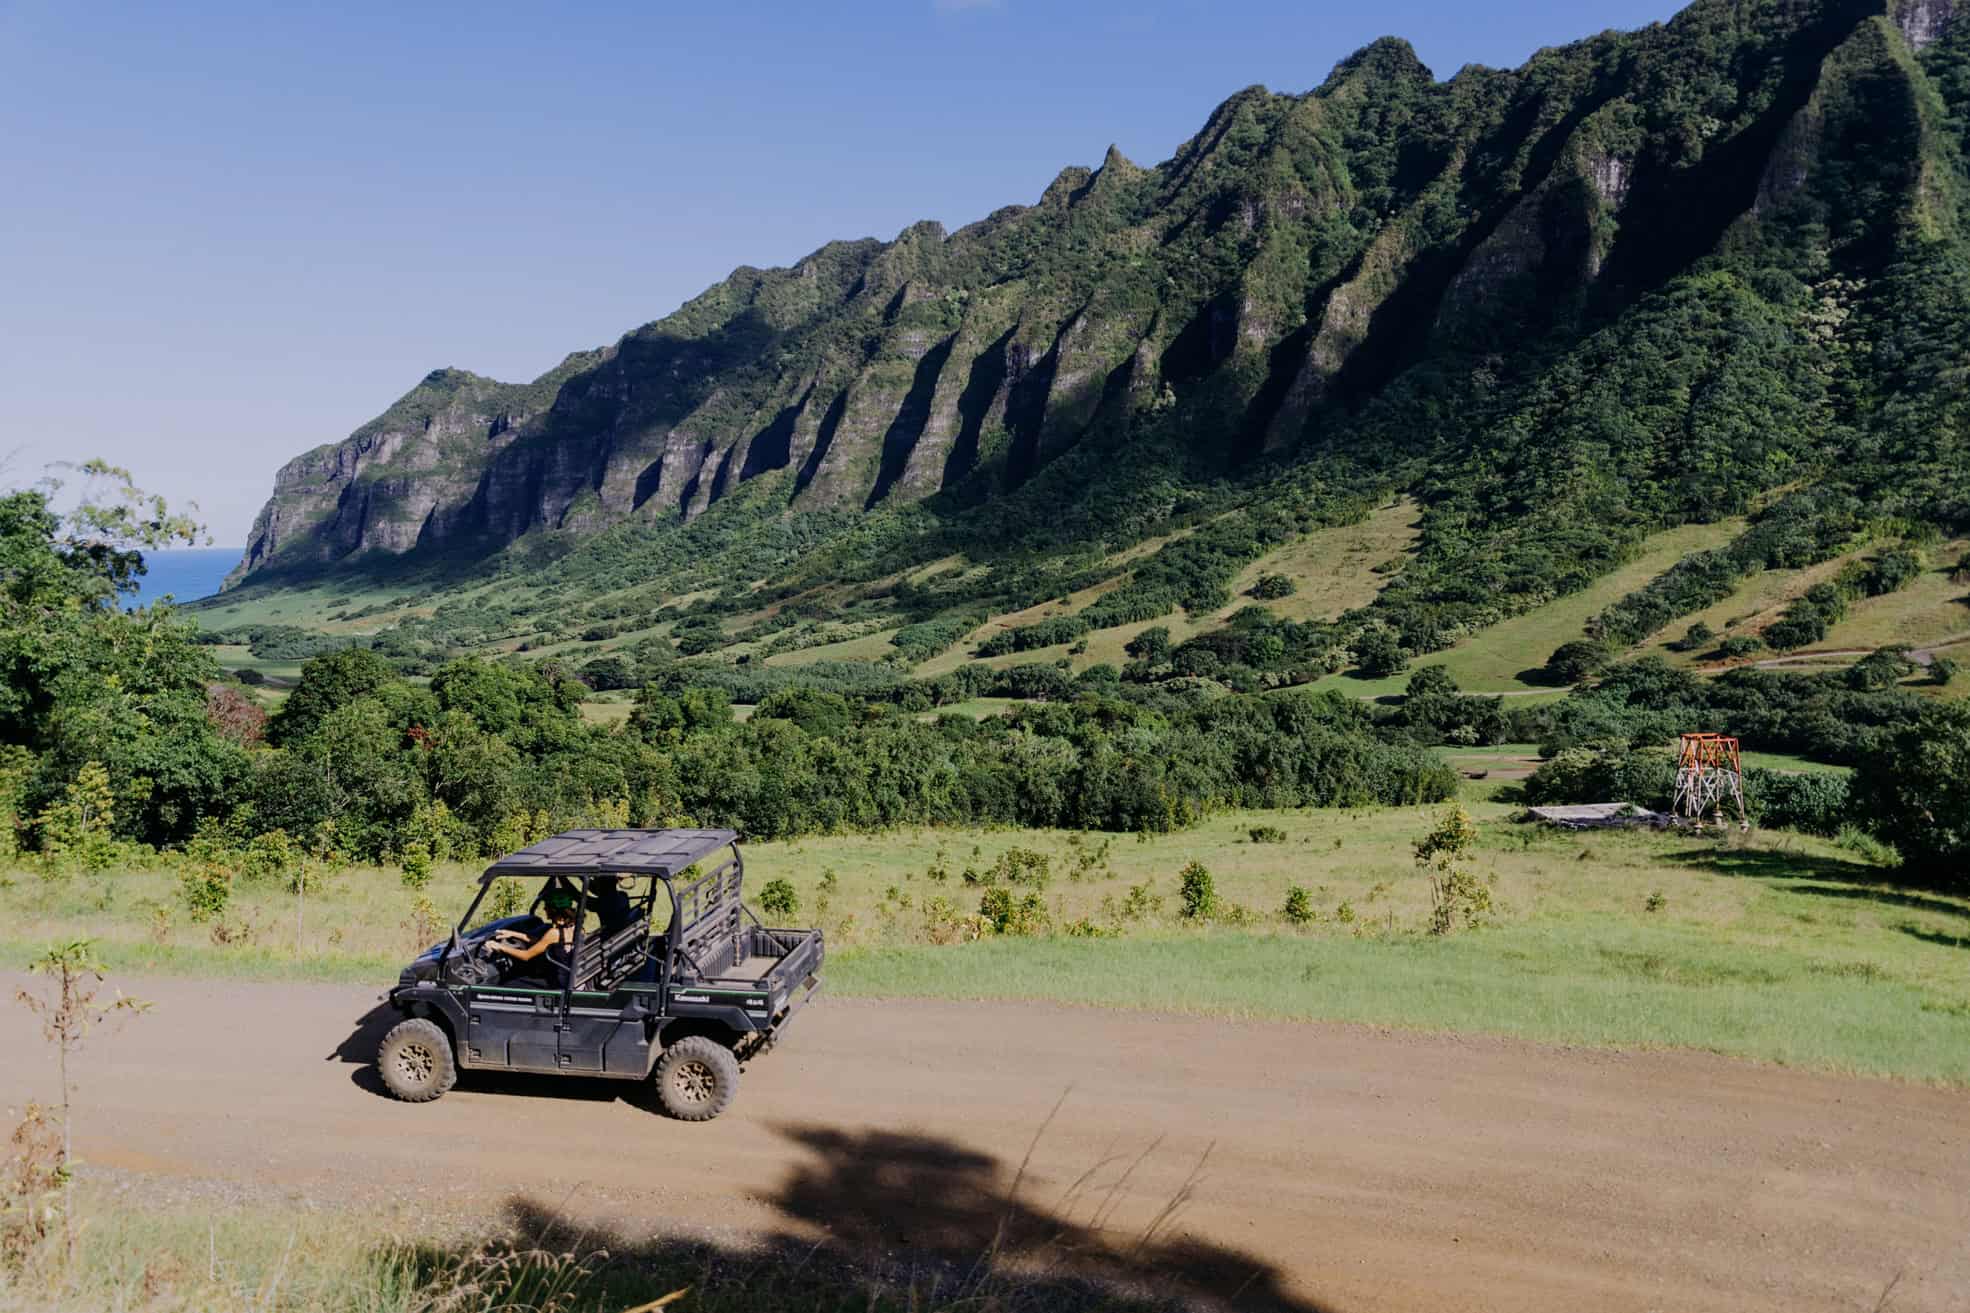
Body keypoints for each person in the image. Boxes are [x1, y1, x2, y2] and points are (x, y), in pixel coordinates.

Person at [488, 888, 578, 984]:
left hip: (557, 982)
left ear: (553, 910)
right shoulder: (576, 927)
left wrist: (500, 947)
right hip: (568, 977)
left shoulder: (554, 933)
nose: (544, 909)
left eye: (546, 906)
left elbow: (526, 956)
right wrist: (512, 934)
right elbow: (541, 943)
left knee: (506, 985)